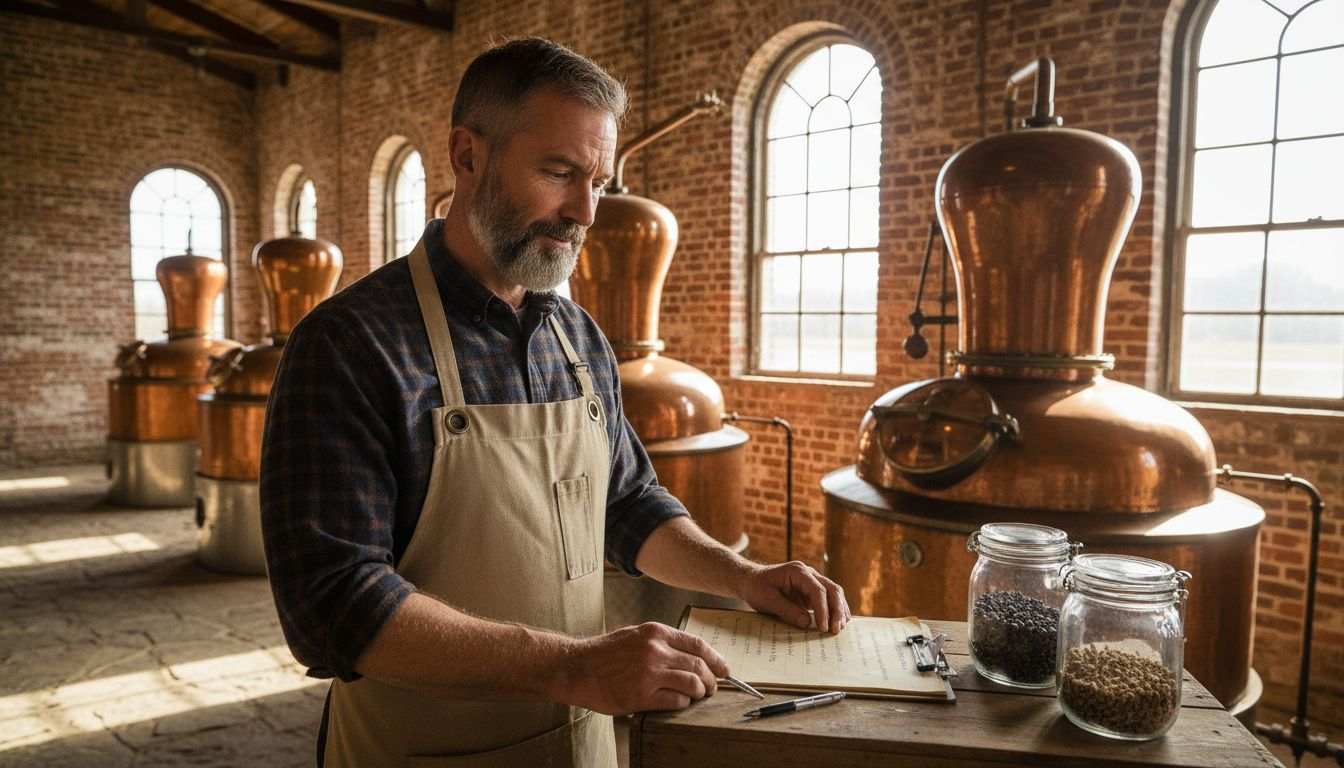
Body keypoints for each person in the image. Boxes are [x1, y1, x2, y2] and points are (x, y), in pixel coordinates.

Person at [259, 36, 850, 768]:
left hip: (580, 746)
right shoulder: (349, 344)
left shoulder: (575, 335)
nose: (585, 211)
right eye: (559, 172)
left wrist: (744, 579)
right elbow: (332, 609)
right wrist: (575, 667)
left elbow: (627, 504)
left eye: (598, 180)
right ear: (467, 155)